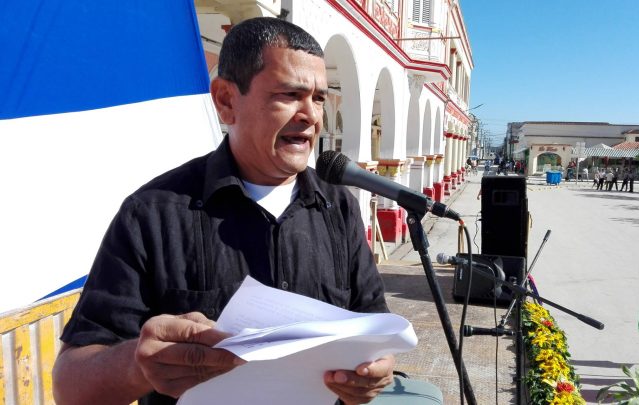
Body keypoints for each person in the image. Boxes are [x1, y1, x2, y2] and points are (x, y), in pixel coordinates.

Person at [53, 17, 394, 405]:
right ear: (226, 100)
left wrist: (371, 373)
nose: (312, 116)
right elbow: (70, 386)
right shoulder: (151, 213)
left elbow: (374, 333)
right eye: (289, 95)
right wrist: (137, 364)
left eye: (317, 97)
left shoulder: (340, 206)